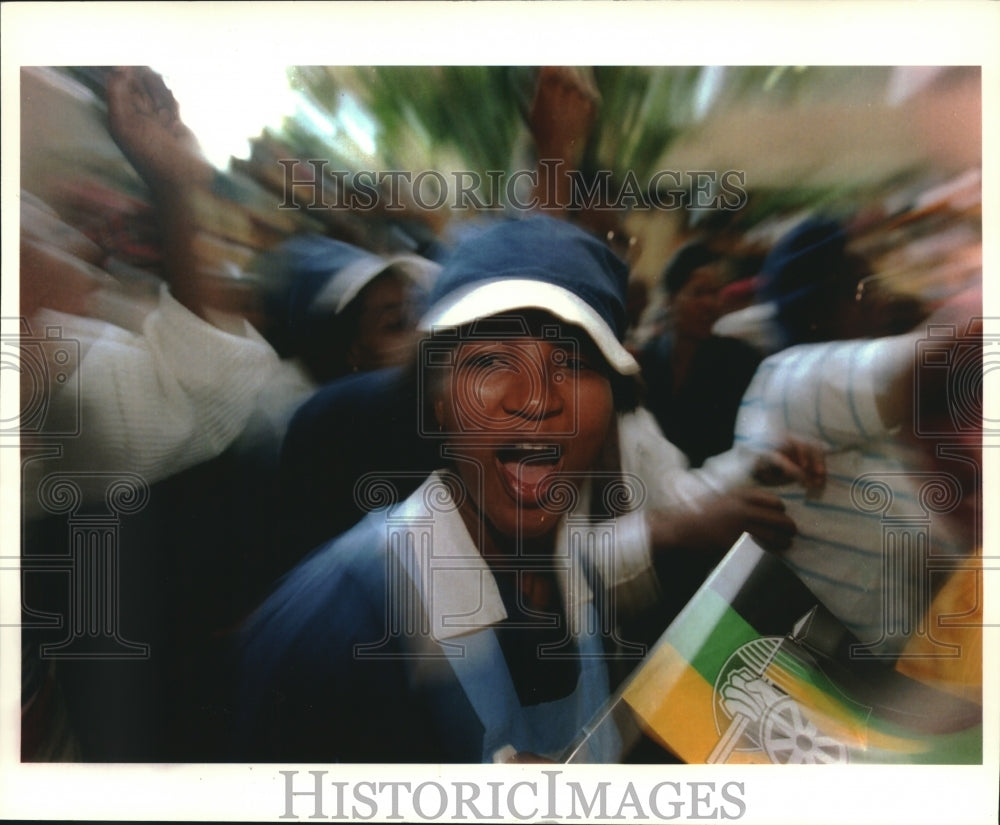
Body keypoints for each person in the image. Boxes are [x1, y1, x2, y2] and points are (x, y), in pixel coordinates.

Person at [236, 216, 811, 763]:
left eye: (572, 360)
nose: (536, 398)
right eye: (490, 360)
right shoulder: (333, 631)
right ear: (437, 404)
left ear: (613, 410)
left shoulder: (569, 572)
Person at [639, 241, 762, 467]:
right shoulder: (646, 360)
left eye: (715, 293)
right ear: (670, 300)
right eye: (698, 293)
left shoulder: (738, 361)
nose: (710, 304)